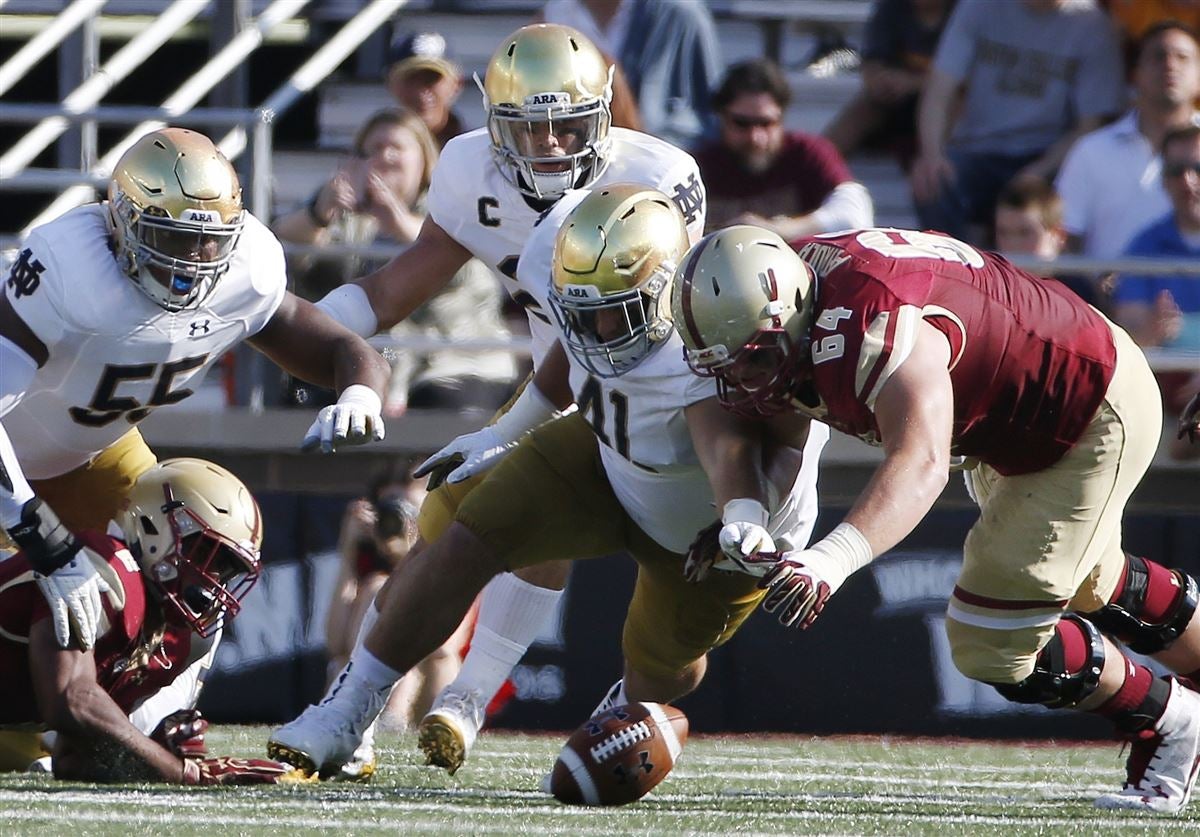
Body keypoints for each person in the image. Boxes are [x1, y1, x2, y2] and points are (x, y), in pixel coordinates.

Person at [267, 23, 712, 779]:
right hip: (561, 397)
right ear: (490, 119)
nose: (547, 145)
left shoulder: (658, 177)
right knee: (451, 529)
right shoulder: (473, 169)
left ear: (605, 111)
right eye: (526, 126)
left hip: (673, 418)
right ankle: (367, 707)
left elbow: (646, 337)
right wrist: (276, 326)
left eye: (567, 123)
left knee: (671, 654)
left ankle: (487, 694)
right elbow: (396, 285)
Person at [269, 185, 827, 781]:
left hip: (707, 524)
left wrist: (741, 517)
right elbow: (570, 351)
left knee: (662, 667)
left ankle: (620, 705)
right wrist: (501, 432)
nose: (599, 330)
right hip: (606, 453)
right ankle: (350, 709)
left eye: (617, 312)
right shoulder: (587, 278)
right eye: (584, 311)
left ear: (669, 295)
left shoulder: (711, 349)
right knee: (469, 535)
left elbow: (730, 451)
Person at [669, 225, 1200, 814]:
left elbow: (921, 462)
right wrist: (742, 512)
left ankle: (1172, 719)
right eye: (727, 364)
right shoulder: (782, 299)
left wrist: (830, 559)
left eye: (754, 359)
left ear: (792, 313)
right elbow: (749, 419)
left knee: (990, 644)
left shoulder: (868, 323)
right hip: (1019, 408)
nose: (742, 380)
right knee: (1088, 579)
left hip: (1083, 403)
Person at [0, 127, 390, 657]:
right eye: (172, 236)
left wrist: (360, 396)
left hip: (92, 452)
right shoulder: (69, 271)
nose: (193, 260)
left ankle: (161, 722)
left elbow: (340, 347)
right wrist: (38, 532)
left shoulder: (245, 269)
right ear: (123, 220)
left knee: (201, 553)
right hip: (10, 465)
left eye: (210, 239)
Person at [0, 458, 292, 785]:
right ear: (155, 526)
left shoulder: (169, 641)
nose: (212, 580)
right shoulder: (105, 568)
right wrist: (186, 774)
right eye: (206, 554)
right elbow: (71, 701)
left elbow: (74, 760)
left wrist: (152, 757)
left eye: (225, 570)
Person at [272, 108, 517, 416]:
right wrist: (319, 213)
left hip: (454, 361)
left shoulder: (453, 203)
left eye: (396, 148)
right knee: (310, 401)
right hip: (368, 359)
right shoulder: (348, 213)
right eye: (374, 149)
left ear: (424, 160)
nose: (385, 157)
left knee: (437, 414)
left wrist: (397, 221)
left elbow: (451, 250)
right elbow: (284, 244)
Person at [911, 0, 1124, 245]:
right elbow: (939, 89)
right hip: (977, 150)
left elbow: (1090, 125)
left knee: (1055, 201)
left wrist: (1040, 169)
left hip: (1048, 156)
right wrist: (931, 155)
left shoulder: (1092, 25)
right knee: (933, 183)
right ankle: (956, 272)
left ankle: (1037, 279)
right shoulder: (979, 7)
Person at [1056, 21, 1200, 260]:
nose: (1170, 65)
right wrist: (1094, 284)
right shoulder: (1091, 151)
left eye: (1183, 57)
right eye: (1158, 56)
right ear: (1135, 75)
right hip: (1103, 297)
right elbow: (1062, 238)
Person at [694, 59, 874, 238]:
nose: (755, 137)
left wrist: (779, 230)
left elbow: (854, 213)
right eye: (742, 123)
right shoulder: (698, 165)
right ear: (721, 117)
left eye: (766, 123)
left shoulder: (807, 154)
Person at [539, 0, 722, 148]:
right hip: (573, 156)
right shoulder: (553, 14)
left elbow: (712, 111)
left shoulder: (682, 13)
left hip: (660, 159)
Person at [823, 0, 957, 171]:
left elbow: (969, 78)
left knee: (954, 104)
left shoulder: (964, 13)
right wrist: (880, 82)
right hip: (896, 101)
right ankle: (815, 167)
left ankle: (939, 171)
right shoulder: (890, 7)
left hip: (946, 104)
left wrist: (912, 83)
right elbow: (872, 61)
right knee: (865, 107)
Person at [1113, 124, 1200, 352]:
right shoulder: (1143, 245)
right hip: (1168, 383)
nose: (1188, 181)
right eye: (1175, 171)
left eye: (1198, 168)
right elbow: (1130, 341)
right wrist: (1155, 329)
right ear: (1163, 180)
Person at [993, 178, 1103, 308]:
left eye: (1025, 233)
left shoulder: (1078, 293)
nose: (1013, 244)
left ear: (1058, 235)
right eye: (1003, 232)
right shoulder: (991, 287)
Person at [384, 31, 467, 150]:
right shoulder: (377, 154)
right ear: (390, 84)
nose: (421, 91)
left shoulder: (477, 150)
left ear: (457, 84)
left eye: (432, 78)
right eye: (411, 79)